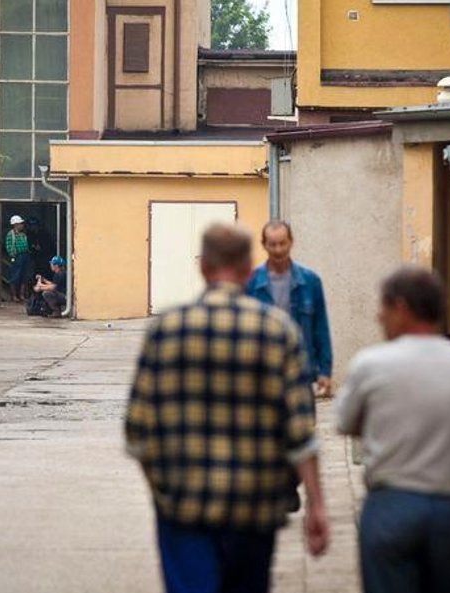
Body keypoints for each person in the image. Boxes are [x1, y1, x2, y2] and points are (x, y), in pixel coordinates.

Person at [126, 222, 330, 593]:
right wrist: (316, 505)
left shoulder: (166, 330)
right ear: (247, 266)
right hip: (254, 509)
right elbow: (301, 434)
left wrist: (162, 489)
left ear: (203, 267)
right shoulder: (277, 331)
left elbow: (137, 433)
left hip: (183, 508)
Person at [334, 266, 450, 593]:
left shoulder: (371, 364)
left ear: (401, 308)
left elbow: (344, 422)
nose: (379, 316)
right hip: (449, 510)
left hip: (392, 506)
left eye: (383, 307)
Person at [245, 220, 333, 397]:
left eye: (282, 243)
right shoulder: (251, 282)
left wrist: (324, 371)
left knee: (303, 424)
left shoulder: (310, 281)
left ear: (291, 242)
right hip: (262, 372)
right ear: (264, 245)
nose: (278, 250)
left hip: (300, 370)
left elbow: (320, 328)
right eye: (273, 244)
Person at [4, 215, 30, 303]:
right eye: (20, 223)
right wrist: (12, 256)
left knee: (24, 276)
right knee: (15, 276)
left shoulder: (23, 234)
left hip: (25, 255)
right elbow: (8, 247)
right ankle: (14, 296)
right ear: (15, 224)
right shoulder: (10, 234)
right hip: (17, 257)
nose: (22, 225)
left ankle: (22, 295)